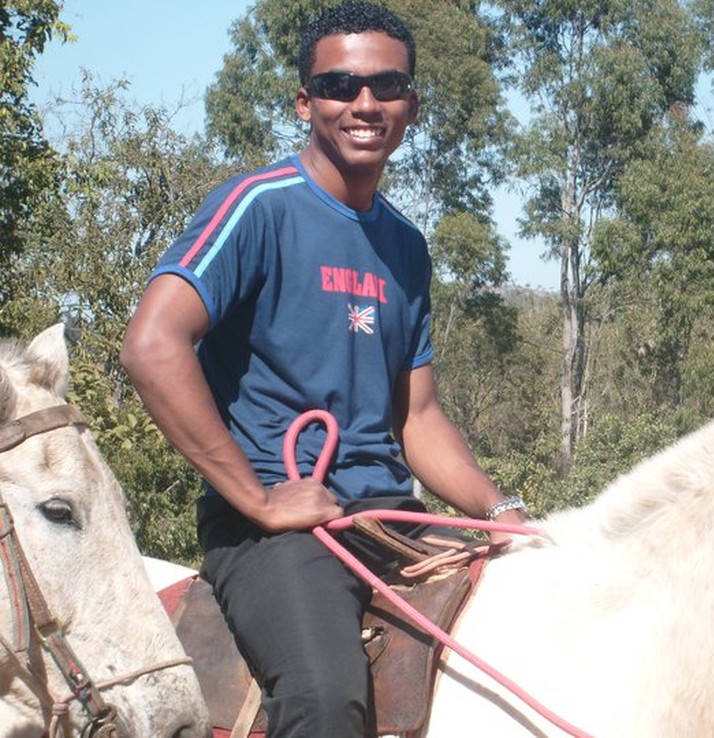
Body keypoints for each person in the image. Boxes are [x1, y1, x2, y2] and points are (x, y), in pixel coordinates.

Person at [119, 2, 527, 735]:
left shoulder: (406, 246)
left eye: (386, 86)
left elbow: (418, 418)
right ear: (306, 102)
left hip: (390, 520)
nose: (364, 103)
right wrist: (262, 500)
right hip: (274, 532)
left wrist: (502, 515)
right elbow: (152, 345)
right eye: (339, 85)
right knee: (325, 698)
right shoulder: (257, 208)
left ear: (412, 106)